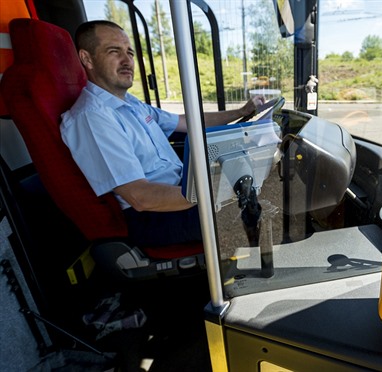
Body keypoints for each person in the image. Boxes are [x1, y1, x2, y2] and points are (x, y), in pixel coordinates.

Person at [61, 20, 265, 247]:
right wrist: (210, 193)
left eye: (129, 52)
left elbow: (186, 122)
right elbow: (140, 197)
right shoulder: (93, 118)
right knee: (260, 209)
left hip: (180, 191)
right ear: (87, 59)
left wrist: (241, 112)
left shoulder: (131, 104)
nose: (127, 60)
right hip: (156, 216)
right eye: (114, 51)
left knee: (258, 186)